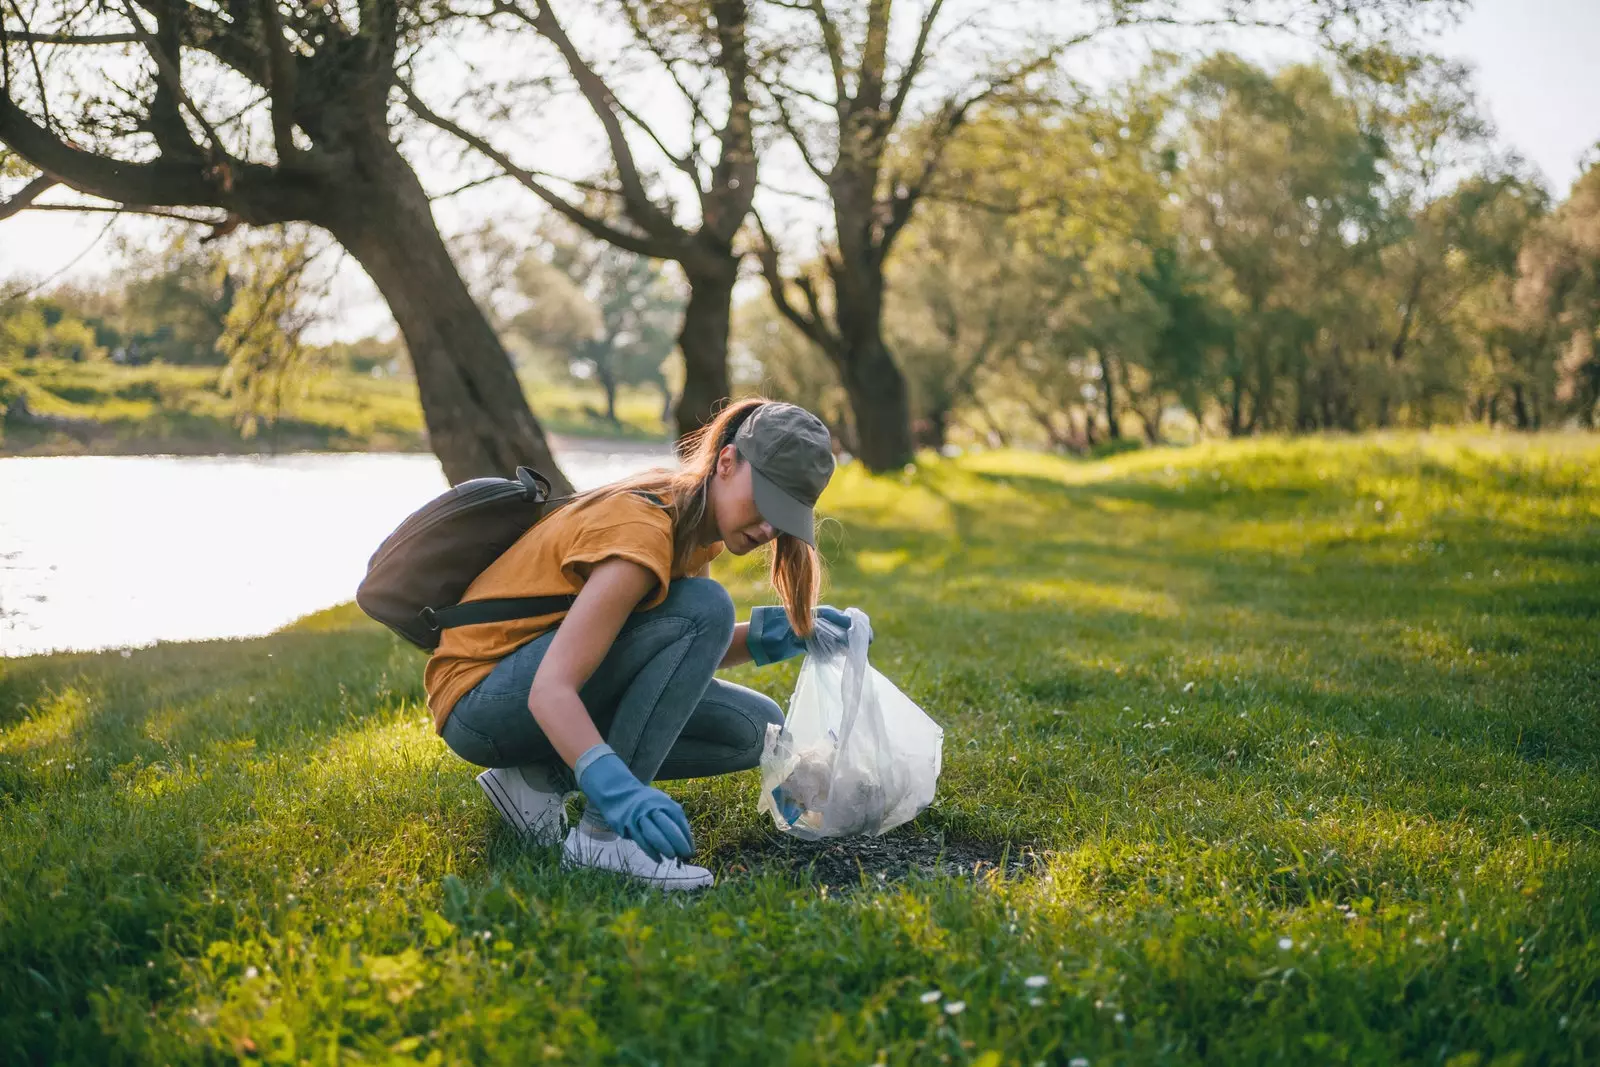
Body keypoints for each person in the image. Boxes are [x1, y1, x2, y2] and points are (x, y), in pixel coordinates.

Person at [423, 398, 856, 890]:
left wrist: (773, 638)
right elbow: (551, 689)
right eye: (765, 504)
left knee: (755, 730)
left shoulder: (693, 523)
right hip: (482, 702)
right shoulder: (644, 529)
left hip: (520, 688)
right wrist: (617, 794)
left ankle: (536, 781)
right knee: (708, 606)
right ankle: (602, 842)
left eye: (784, 519)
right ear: (728, 462)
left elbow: (669, 661)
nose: (766, 530)